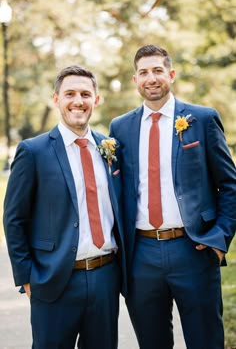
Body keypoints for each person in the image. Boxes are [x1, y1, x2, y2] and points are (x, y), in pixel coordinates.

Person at [109, 44, 236, 349]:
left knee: (205, 340)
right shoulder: (120, 128)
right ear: (135, 80)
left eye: (157, 70)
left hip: (192, 249)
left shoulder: (202, 119)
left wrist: (218, 239)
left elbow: (230, 185)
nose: (151, 78)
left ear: (171, 74)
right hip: (141, 254)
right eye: (143, 72)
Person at [3, 65, 127, 349]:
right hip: (54, 280)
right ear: (56, 99)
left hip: (105, 277)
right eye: (69, 93)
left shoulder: (110, 149)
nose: (78, 101)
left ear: (96, 100)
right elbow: (14, 219)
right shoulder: (33, 151)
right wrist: (28, 278)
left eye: (85, 94)